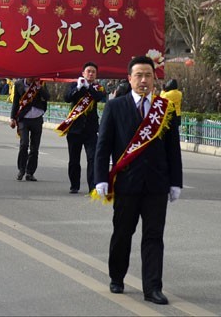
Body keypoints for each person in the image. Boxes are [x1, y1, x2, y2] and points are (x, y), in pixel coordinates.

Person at [94, 55, 183, 305]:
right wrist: (100, 178)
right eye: (139, 75)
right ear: (129, 78)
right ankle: (117, 276)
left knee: (154, 236)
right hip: (126, 183)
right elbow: (103, 147)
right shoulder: (115, 107)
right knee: (123, 232)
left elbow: (172, 149)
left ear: (155, 79)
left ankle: (153, 287)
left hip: (156, 184)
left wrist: (176, 181)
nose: (144, 80)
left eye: (148, 76)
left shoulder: (163, 109)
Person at [58, 62, 104, 194]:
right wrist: (78, 87)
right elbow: (67, 98)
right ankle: (74, 185)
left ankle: (93, 187)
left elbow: (99, 97)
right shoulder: (74, 85)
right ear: (83, 73)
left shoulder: (98, 88)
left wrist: (88, 87)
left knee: (92, 158)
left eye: (93, 72)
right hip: (74, 130)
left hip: (91, 130)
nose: (91, 74)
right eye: (88, 71)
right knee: (74, 159)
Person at [9, 76, 50, 181]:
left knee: (34, 148)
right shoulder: (18, 84)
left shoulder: (41, 83)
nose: (31, 77)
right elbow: (15, 102)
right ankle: (21, 170)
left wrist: (39, 87)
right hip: (24, 119)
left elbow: (47, 97)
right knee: (24, 144)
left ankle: (30, 172)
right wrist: (12, 118)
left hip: (37, 118)